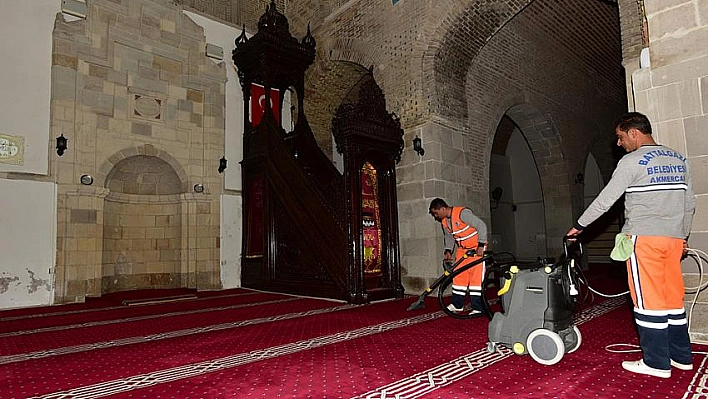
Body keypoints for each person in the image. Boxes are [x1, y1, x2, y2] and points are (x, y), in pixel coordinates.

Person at [566, 112, 695, 378]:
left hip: (644, 239)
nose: (618, 143)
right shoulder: (679, 159)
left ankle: (657, 363)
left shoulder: (631, 161)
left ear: (634, 132)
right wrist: (683, 237)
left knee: (647, 301)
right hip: (673, 239)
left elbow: (605, 201)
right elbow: (689, 204)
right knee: (672, 299)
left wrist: (579, 226)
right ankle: (681, 357)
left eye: (620, 136)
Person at [429, 198, 488, 315]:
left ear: (443, 208)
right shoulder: (445, 222)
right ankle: (457, 304)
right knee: (458, 276)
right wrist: (448, 251)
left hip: (476, 248)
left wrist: (481, 245)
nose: (435, 216)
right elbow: (450, 237)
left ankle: (478, 307)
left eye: (436, 213)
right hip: (462, 250)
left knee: (475, 279)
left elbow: (481, 225)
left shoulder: (462, 213)